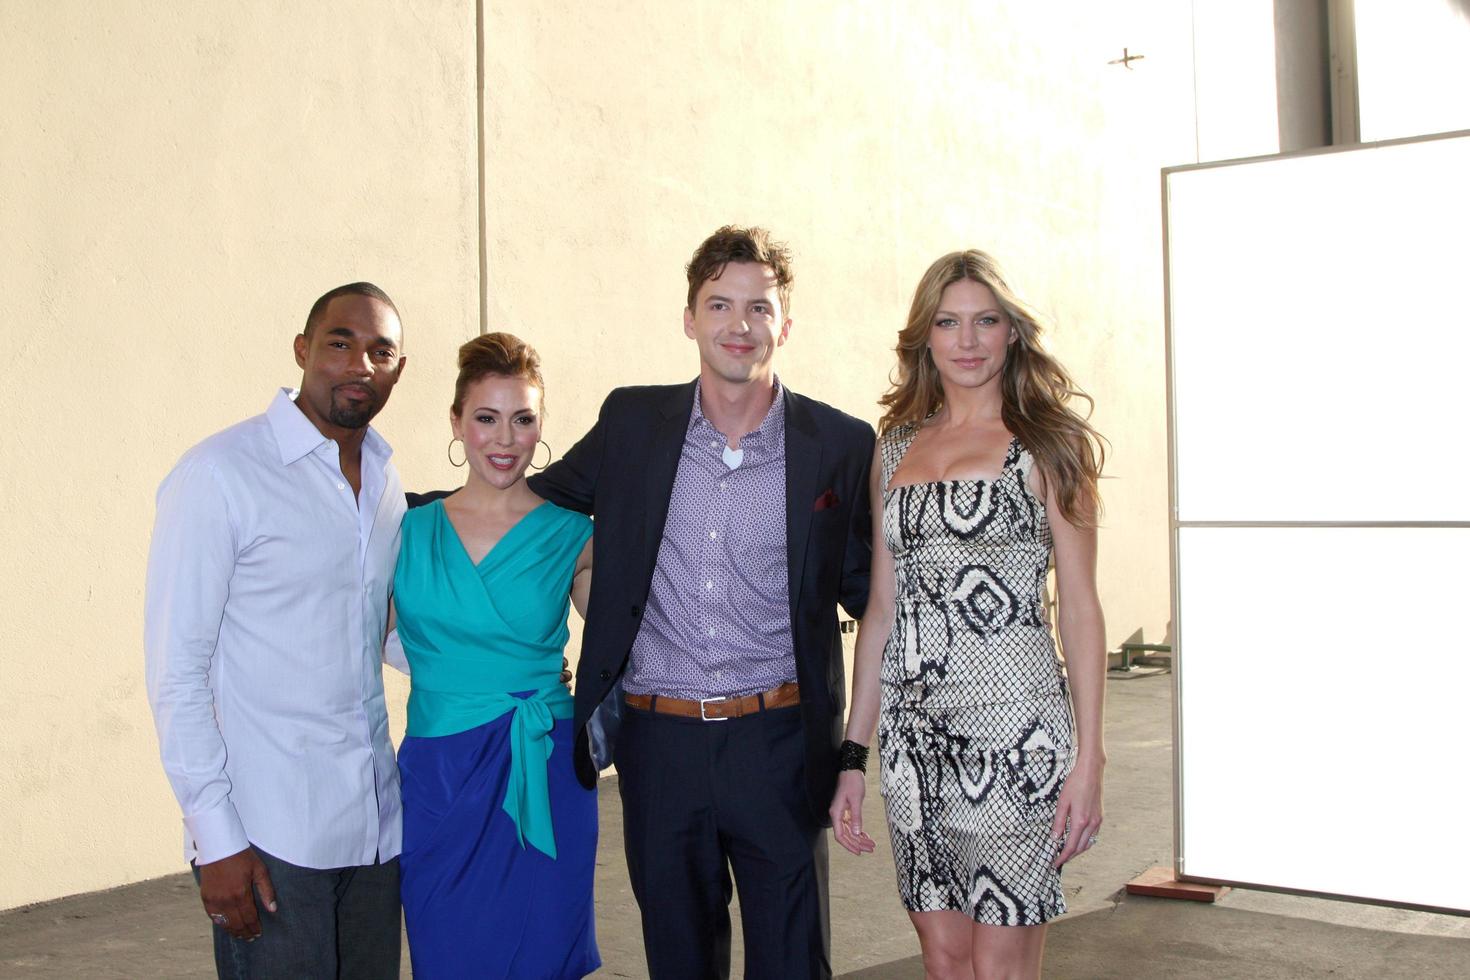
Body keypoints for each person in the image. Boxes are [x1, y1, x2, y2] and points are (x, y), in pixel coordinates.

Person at [529, 225, 874, 979]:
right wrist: (420, 515)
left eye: (758, 308)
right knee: (680, 961)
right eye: (719, 304)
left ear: (786, 324)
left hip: (780, 743)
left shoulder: (840, 446)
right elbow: (535, 506)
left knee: (792, 962)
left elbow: (875, 595)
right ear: (690, 317)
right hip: (660, 748)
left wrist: (860, 749)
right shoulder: (631, 424)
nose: (739, 326)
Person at [828, 250, 1107, 980]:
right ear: (925, 338)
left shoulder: (1052, 445)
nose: (968, 340)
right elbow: (881, 613)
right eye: (949, 323)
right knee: (946, 959)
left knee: (1000, 968)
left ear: (1012, 332)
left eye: (986, 321)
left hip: (1017, 735)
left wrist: (1090, 757)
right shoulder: (891, 452)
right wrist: (853, 757)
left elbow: (1080, 608)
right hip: (914, 743)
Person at [144, 282, 409, 978]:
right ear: (302, 350)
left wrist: (496, 665)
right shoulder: (221, 474)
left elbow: (376, 625)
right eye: (339, 343)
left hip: (376, 833)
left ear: (398, 369)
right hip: (269, 841)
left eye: (380, 351)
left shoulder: (386, 480)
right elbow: (177, 670)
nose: (359, 364)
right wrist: (214, 838)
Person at [392, 333, 599, 978]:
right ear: (456, 422)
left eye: (523, 419)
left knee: (539, 953)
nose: (505, 439)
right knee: (447, 949)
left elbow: (634, 638)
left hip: (544, 764)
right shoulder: (402, 531)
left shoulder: (575, 532)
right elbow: (352, 638)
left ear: (542, 426)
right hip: (440, 769)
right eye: (486, 418)